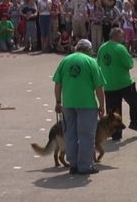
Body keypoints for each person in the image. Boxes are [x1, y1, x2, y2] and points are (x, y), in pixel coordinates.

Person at [53, 39, 106, 175]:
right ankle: (85, 166)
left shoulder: (65, 60)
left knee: (70, 134)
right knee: (86, 135)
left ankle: (73, 164)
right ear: (89, 49)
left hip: (68, 104)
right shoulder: (91, 62)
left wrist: (58, 101)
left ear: (76, 48)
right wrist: (102, 105)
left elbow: (57, 84)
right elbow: (99, 87)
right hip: (87, 104)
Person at [97, 28, 137, 141]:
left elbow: (98, 64)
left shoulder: (102, 48)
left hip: (108, 85)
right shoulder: (120, 48)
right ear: (116, 36)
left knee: (113, 112)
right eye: (122, 36)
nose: (123, 39)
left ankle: (115, 134)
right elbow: (130, 64)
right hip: (124, 83)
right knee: (135, 103)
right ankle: (134, 122)